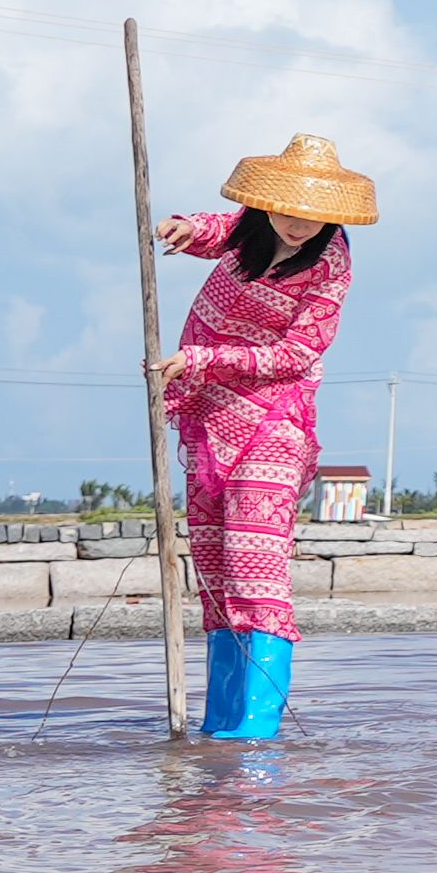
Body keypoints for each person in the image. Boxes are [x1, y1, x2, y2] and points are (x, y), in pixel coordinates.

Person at [151, 132, 376, 741]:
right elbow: (211, 231)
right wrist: (181, 228)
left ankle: (254, 734)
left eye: (312, 216)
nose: (298, 225)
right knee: (217, 574)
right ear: (267, 205)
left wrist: (202, 359)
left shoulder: (331, 263)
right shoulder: (248, 230)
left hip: (275, 419)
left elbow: (300, 352)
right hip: (208, 417)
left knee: (255, 571)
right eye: (287, 212)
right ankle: (218, 732)